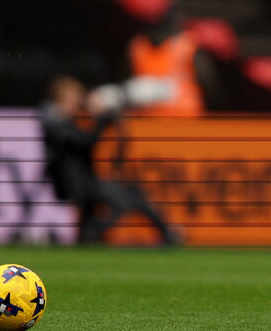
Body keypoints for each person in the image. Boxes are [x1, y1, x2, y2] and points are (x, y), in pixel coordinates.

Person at [40, 75, 179, 245]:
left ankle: (89, 233)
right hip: (78, 183)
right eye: (72, 100)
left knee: (127, 195)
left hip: (83, 180)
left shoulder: (61, 121)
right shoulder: (54, 123)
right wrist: (103, 121)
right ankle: (94, 231)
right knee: (125, 200)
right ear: (59, 99)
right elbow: (83, 142)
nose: (76, 105)